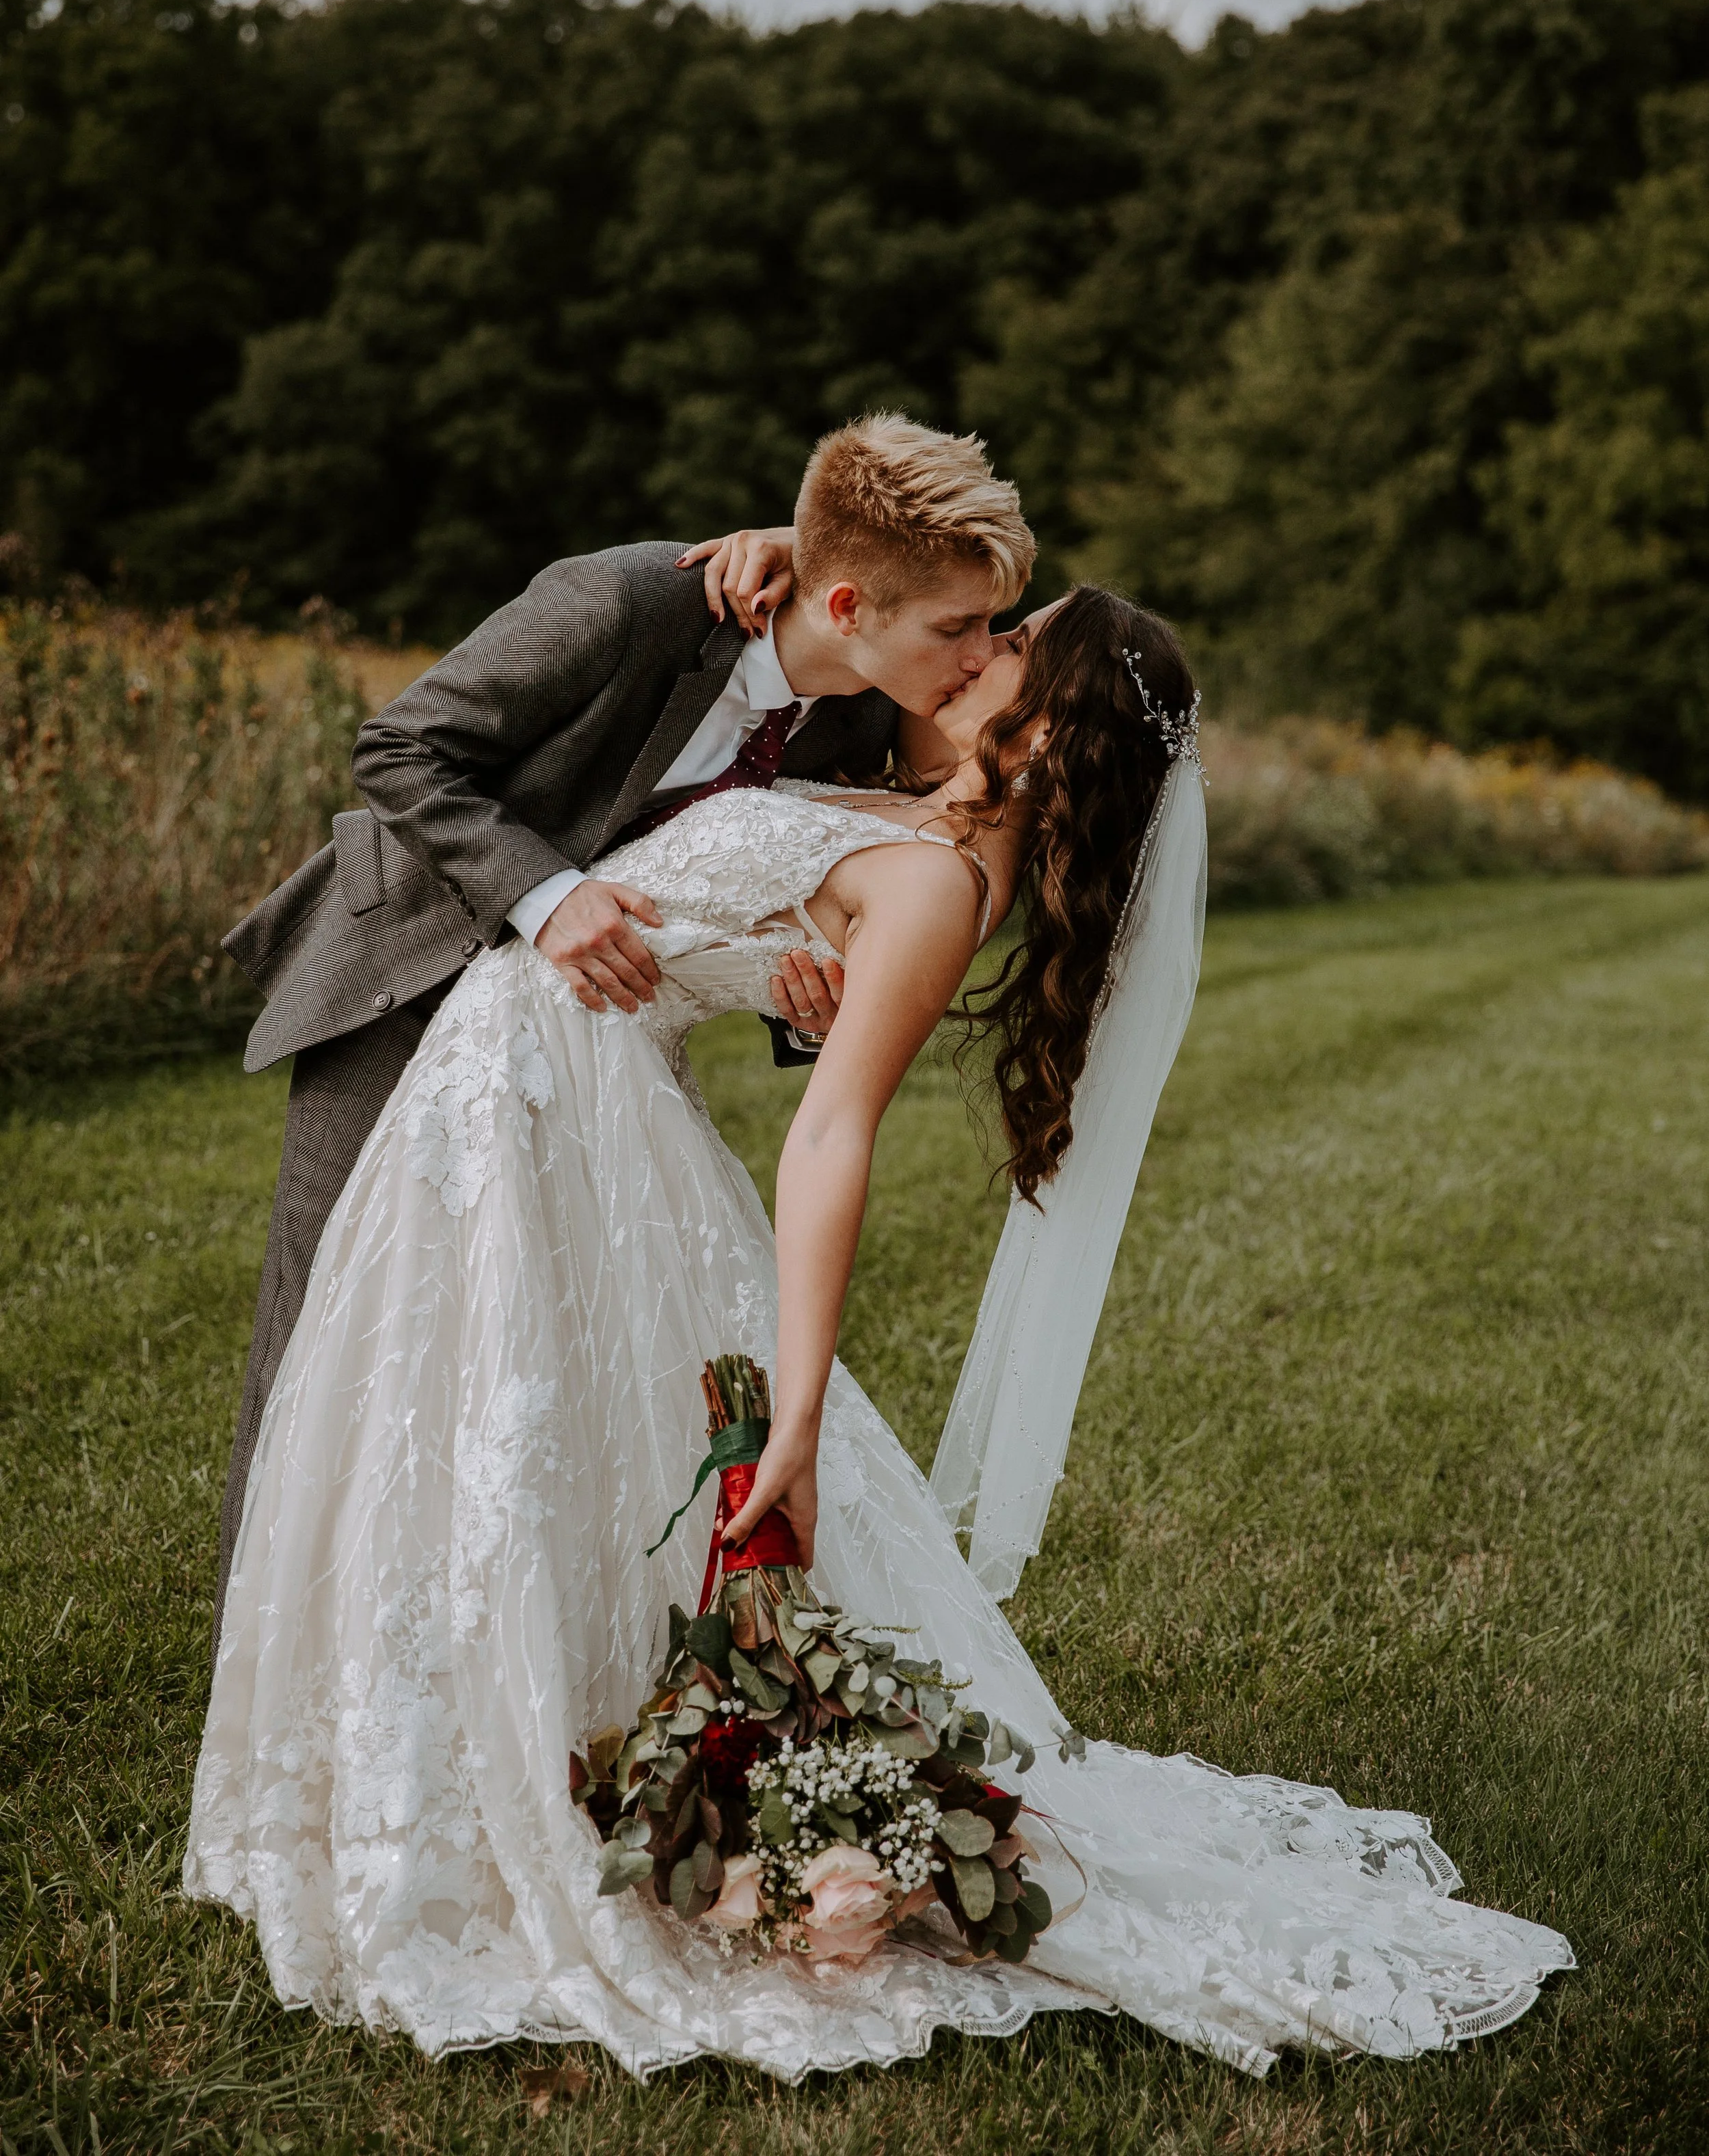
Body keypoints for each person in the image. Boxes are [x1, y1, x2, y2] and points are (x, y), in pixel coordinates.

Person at [185, 559, 1572, 2078]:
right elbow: (777, 725)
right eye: (977, 627)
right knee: (452, 1442)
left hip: (552, 1119)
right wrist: (787, 970)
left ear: (1043, 740)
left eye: (1006, 649)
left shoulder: (928, 879)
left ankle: (495, 1792)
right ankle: (415, 1762)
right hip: (521, 1094)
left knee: (486, 1450)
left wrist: (796, 1413)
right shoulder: (892, 805)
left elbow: (835, 1135)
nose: (971, 652)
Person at [210, 413, 1034, 1646]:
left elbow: (777, 889)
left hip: (572, 1046)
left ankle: (460, 1631)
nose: (976, 656)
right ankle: (264, 1634)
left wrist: (804, 998)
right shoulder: (632, 602)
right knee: (328, 1310)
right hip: (417, 967)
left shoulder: (863, 714)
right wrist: (549, 899)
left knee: (503, 1330)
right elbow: (401, 747)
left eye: (985, 627)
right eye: (956, 628)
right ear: (852, 600)